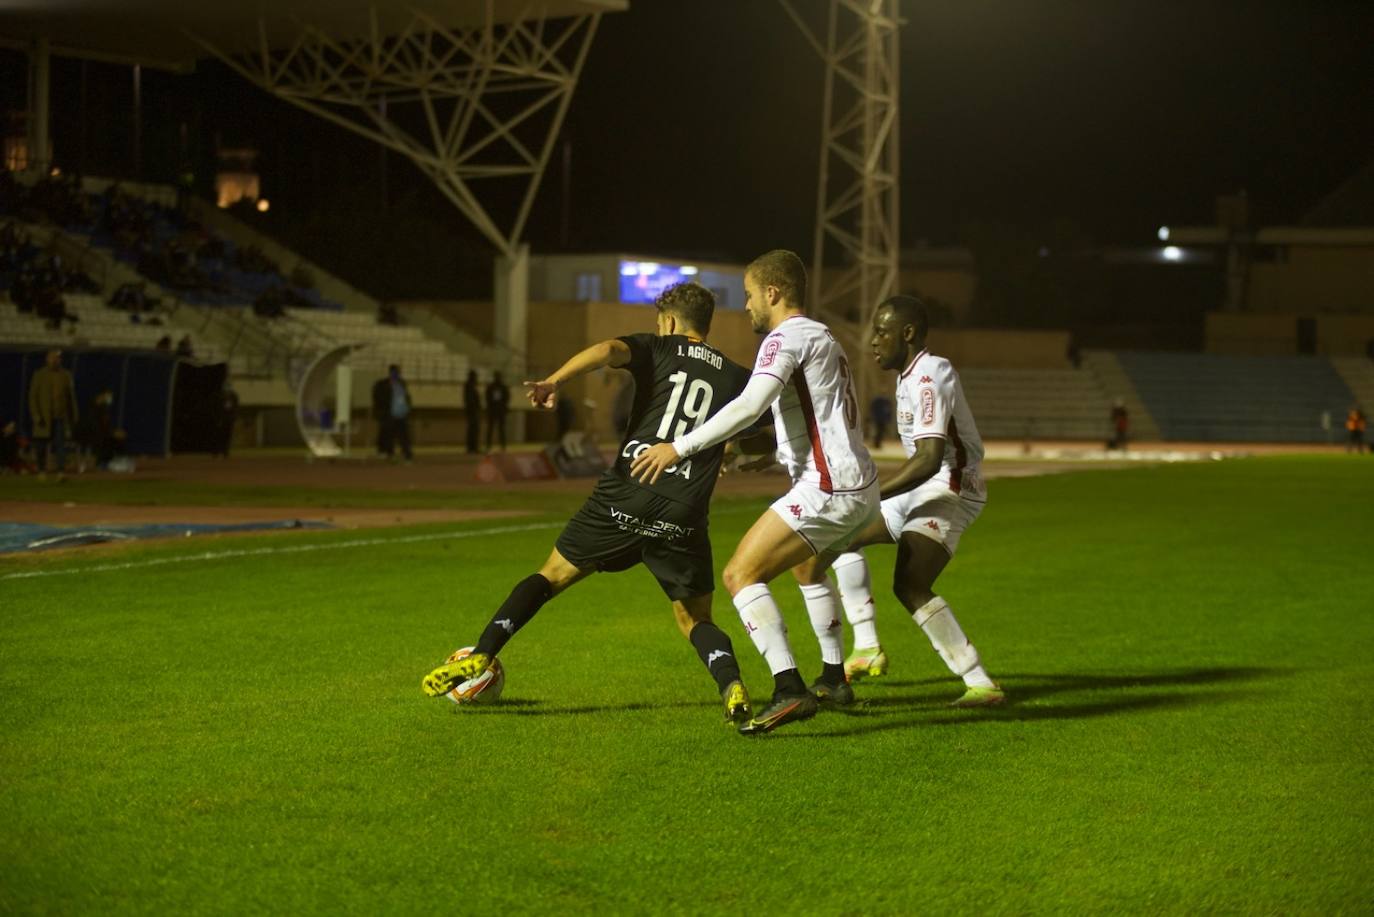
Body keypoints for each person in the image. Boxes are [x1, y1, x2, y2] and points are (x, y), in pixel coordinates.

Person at [422, 282, 756, 723]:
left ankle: (483, 653)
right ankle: (730, 683)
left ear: (670, 322)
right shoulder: (737, 376)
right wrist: (731, 453)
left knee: (551, 576)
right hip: (683, 510)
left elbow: (607, 349)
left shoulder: (656, 347)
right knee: (695, 619)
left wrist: (554, 380)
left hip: (627, 492)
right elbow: (758, 427)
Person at [631, 250, 879, 735]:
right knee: (807, 566)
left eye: (748, 295)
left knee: (740, 574)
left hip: (829, 486)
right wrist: (752, 458)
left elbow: (750, 405)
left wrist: (677, 448)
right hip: (859, 483)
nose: (744, 306)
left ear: (772, 293)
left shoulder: (783, 337)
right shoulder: (823, 335)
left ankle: (789, 688)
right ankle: (832, 678)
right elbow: (812, 420)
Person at [828, 296, 1003, 707]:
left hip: (951, 487)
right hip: (924, 486)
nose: (873, 341)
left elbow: (927, 460)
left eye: (882, 332)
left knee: (910, 584)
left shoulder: (929, 374)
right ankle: (868, 647)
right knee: (841, 536)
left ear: (907, 334)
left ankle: (980, 682)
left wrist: (869, 494)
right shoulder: (908, 375)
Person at [28, 349, 79, 476]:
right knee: (41, 446)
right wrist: (36, 415)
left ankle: (61, 471)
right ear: (47, 359)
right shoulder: (39, 374)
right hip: (44, 418)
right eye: (53, 358)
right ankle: (41, 469)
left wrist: (74, 415)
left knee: (60, 445)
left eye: (58, 358)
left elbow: (71, 397)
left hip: (60, 417)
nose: (56, 360)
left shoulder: (66, 375)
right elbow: (32, 397)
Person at [384, 364, 413, 462]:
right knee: (390, 436)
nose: (396, 374)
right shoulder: (385, 384)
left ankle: (407, 454)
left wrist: (408, 407)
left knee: (404, 436)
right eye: (394, 372)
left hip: (402, 414)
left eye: (397, 372)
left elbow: (407, 396)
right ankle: (390, 454)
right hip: (391, 414)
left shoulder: (402, 383)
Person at [486, 371, 510, 452]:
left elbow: (507, 398)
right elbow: (487, 398)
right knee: (491, 428)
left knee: (501, 429)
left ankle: (503, 445)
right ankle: (488, 445)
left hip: (500, 411)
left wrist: (503, 407)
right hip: (493, 410)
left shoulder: (503, 387)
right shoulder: (491, 387)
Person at [215, 382, 239, 458]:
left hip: (229, 419)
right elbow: (218, 408)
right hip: (222, 418)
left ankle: (225, 451)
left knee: (228, 435)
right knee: (220, 435)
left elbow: (235, 408)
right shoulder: (220, 396)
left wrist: (234, 418)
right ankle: (217, 451)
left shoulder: (234, 396)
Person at [371, 374, 392, 457]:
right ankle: (384, 450)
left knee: (385, 432)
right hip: (385, 413)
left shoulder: (379, 389)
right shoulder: (382, 389)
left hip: (385, 413)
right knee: (385, 432)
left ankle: (385, 450)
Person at [463, 370, 482, 454]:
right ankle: (472, 448)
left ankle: (473, 447)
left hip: (473, 410)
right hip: (472, 411)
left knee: (474, 429)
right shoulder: (469, 386)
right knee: (473, 429)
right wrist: (475, 408)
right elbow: (470, 400)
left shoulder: (471, 386)